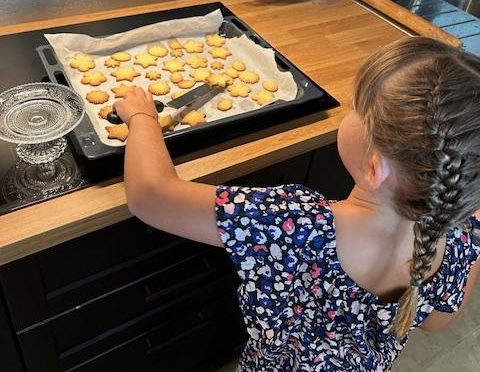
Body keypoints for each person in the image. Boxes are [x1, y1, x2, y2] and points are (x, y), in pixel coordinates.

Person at [114, 36, 480, 371]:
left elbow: (151, 196)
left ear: (374, 168)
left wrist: (142, 116)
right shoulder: (461, 243)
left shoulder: (296, 224)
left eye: (355, 106)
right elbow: (438, 321)